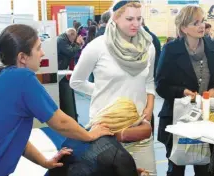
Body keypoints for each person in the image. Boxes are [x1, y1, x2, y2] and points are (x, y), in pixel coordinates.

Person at [0, 24, 113, 176]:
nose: (42, 53)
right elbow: (60, 123)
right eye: (38, 48)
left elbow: (15, 138)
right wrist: (90, 135)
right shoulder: (22, 78)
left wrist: (45, 162)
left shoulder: (3, 76)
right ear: (22, 57)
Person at [70, 0, 157, 175]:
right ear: (115, 18)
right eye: (130, 18)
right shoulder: (97, 47)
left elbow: (149, 81)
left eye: (139, 19)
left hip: (138, 129)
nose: (136, 24)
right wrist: (103, 91)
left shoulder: (148, 47)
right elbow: (76, 81)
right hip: (106, 133)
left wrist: (149, 107)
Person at [156, 5, 214, 176]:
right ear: (183, 28)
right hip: (177, 117)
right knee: (176, 169)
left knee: (206, 170)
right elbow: (161, 85)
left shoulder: (211, 47)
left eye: (202, 21)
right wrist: (182, 92)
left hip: (207, 118)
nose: (201, 25)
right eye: (195, 22)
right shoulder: (171, 50)